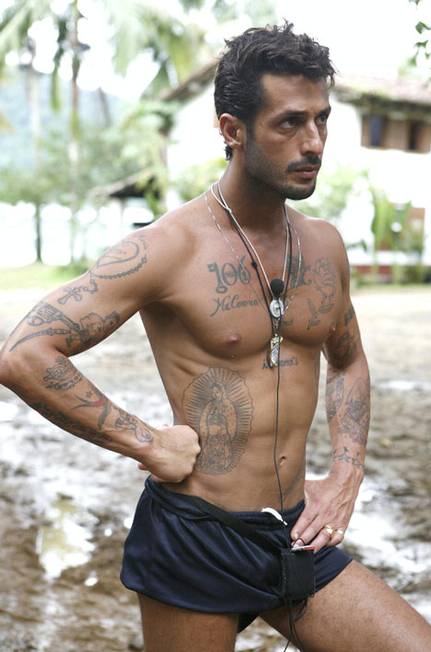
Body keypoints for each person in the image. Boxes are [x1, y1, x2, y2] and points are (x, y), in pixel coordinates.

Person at [0, 21, 430, 652]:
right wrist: (146, 442)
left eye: (322, 119)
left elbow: (348, 361)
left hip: (295, 533)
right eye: (289, 123)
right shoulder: (167, 248)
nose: (313, 142)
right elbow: (23, 354)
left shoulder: (324, 246)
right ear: (232, 130)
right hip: (195, 537)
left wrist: (346, 472)